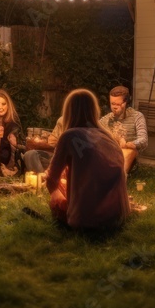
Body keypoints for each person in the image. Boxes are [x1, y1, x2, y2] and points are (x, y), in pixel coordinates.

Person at [45, 89, 131, 231]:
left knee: (58, 187)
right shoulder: (107, 137)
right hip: (118, 216)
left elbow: (51, 179)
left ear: (68, 111)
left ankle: (75, 212)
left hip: (86, 221)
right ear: (94, 110)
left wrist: (56, 194)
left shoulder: (69, 136)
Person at [99, 86, 148, 174]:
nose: (114, 107)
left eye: (118, 104)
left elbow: (143, 140)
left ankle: (120, 177)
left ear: (126, 103)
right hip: (109, 155)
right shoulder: (106, 119)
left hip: (127, 157)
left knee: (131, 150)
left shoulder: (137, 116)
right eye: (112, 104)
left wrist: (131, 144)